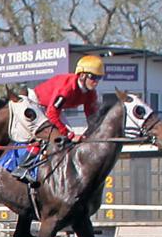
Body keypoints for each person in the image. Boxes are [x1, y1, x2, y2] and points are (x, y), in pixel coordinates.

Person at [9, 55, 104, 184]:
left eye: (99, 78)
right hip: (37, 103)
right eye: (93, 77)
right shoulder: (67, 88)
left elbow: (92, 117)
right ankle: (22, 167)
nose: (96, 81)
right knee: (51, 134)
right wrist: (70, 135)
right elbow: (52, 114)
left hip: (52, 107)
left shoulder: (90, 93)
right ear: (82, 75)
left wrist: (92, 135)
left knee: (66, 138)